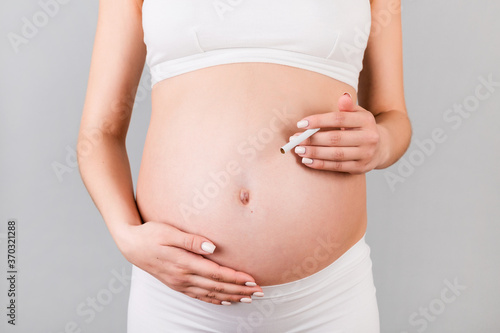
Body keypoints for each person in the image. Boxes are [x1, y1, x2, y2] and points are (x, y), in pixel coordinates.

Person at [77, 0, 411, 331]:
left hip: (328, 300)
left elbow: (393, 117)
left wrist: (380, 143)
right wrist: (126, 236)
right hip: (179, 303)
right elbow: (99, 135)